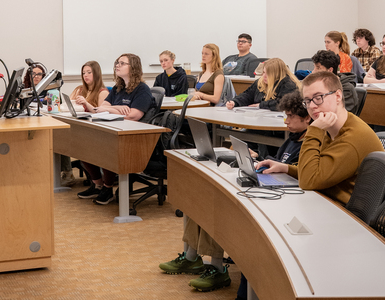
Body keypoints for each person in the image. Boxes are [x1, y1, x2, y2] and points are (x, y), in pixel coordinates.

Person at [158, 91, 311, 294]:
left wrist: (274, 165)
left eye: (290, 116)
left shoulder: (308, 144)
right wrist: (259, 157)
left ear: (307, 118)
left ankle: (217, 268)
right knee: (202, 197)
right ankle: (191, 258)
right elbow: (278, 160)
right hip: (270, 185)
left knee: (220, 205)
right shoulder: (293, 138)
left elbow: (296, 171)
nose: (286, 120)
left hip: (285, 197)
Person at [257, 71, 384, 206]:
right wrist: (286, 168)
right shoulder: (329, 127)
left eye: (318, 97)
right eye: (307, 100)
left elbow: (308, 181)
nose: (311, 106)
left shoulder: (352, 137)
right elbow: (316, 170)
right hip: (324, 200)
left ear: (337, 96)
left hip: (344, 214)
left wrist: (313, 130)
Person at [78, 54, 153, 205]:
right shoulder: (119, 88)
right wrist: (117, 107)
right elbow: (102, 108)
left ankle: (107, 188)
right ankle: (98, 184)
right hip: (114, 128)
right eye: (117, 63)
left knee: (105, 148)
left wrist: (111, 109)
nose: (117, 65)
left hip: (131, 136)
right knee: (83, 147)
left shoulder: (142, 89)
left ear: (133, 68)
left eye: (122, 63)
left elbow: (134, 115)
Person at [226, 58, 299, 111]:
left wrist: (260, 105)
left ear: (276, 74)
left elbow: (282, 103)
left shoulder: (288, 84)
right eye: (264, 72)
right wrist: (234, 102)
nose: (264, 76)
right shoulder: (260, 82)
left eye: (268, 74)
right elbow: (247, 95)